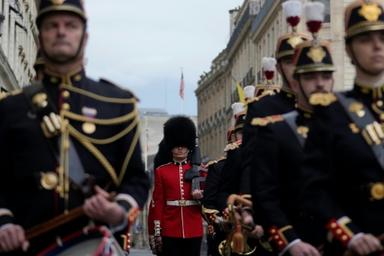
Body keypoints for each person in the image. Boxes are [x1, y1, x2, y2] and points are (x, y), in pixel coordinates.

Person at [0, 0, 149, 254]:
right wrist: (3, 222)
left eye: (70, 25)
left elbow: (136, 179)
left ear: (85, 36)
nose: (61, 31)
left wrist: (119, 210)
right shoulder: (9, 108)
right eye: (51, 25)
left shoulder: (116, 104)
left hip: (91, 244)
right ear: (40, 35)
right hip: (25, 247)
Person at [299, 0, 384, 255]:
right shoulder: (331, 112)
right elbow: (314, 187)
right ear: (349, 49)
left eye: (382, 36)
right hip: (356, 245)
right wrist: (349, 233)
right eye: (365, 39)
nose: (377, 45)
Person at [250, 2, 334, 255]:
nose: (318, 84)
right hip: (291, 229)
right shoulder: (266, 116)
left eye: (324, 75)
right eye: (309, 76)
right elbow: (257, 175)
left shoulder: (344, 120)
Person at [148, 116, 203, 256]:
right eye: (176, 144)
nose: (180, 148)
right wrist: (157, 231)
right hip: (170, 228)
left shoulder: (199, 170)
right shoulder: (162, 171)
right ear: (170, 146)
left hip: (194, 227)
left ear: (188, 146)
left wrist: (202, 196)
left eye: (183, 145)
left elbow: (210, 197)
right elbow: (158, 203)